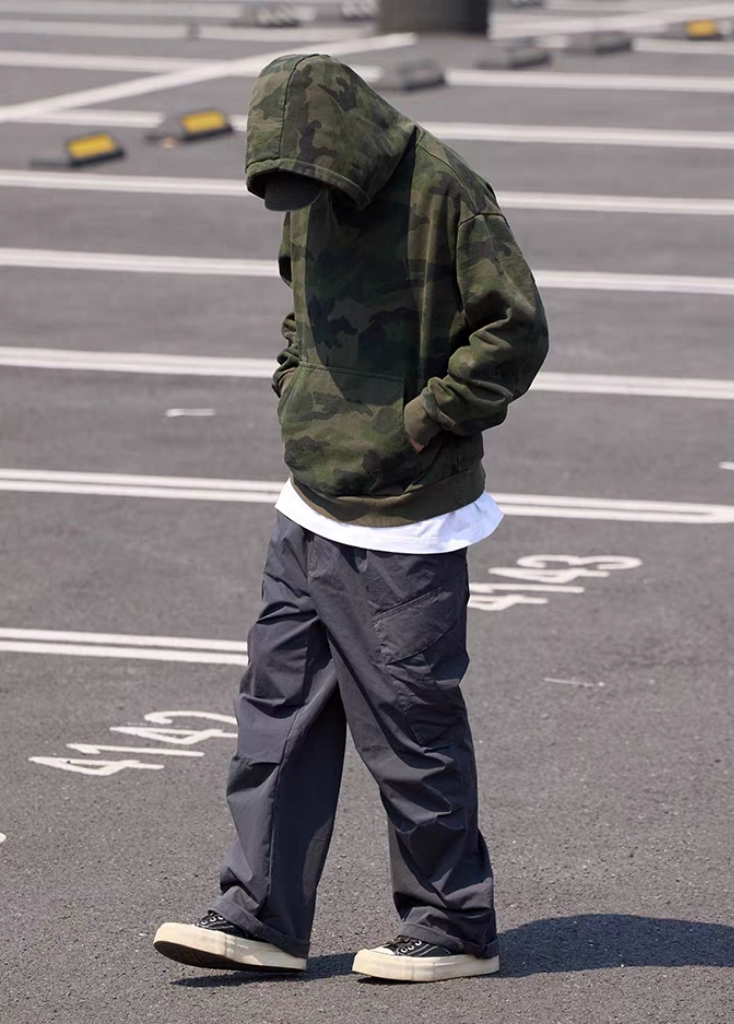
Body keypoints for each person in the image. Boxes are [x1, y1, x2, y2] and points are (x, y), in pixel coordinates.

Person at [154, 52, 549, 984]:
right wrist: (293, 384)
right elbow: (299, 304)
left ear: (341, 145)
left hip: (406, 521)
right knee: (276, 722)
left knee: (410, 730)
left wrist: (425, 418)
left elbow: (515, 328)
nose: (300, 201)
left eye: (307, 180)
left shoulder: (446, 191)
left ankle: (453, 926)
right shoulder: (309, 193)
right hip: (308, 503)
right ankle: (261, 916)